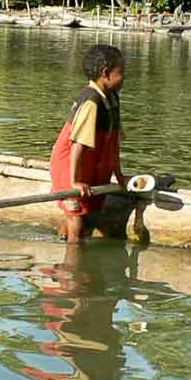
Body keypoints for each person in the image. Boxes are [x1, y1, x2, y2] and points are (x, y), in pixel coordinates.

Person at [49, 43, 125, 243]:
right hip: (70, 166)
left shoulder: (112, 98)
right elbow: (77, 145)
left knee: (87, 212)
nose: (124, 77)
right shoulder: (91, 101)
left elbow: (114, 142)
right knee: (77, 222)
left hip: (92, 165)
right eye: (121, 72)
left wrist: (119, 175)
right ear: (105, 73)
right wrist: (74, 181)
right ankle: (73, 257)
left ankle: (64, 234)